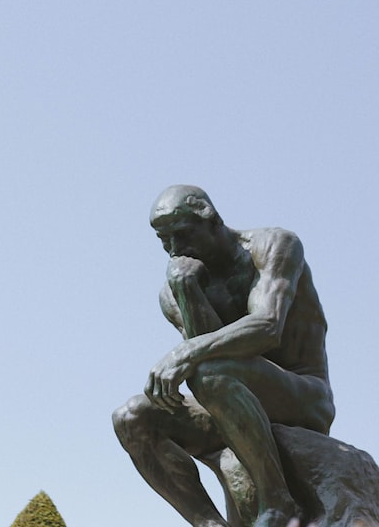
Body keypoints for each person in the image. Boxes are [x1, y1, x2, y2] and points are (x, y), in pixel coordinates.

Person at [112, 185, 335, 527]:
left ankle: (278, 502)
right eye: (164, 241)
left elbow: (267, 327)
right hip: (228, 402)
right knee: (132, 417)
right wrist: (187, 290)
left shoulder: (272, 246)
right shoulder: (175, 291)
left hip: (301, 396)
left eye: (182, 235)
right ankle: (209, 524)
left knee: (210, 372)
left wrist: (185, 352)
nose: (174, 249)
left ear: (212, 219)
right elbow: (205, 358)